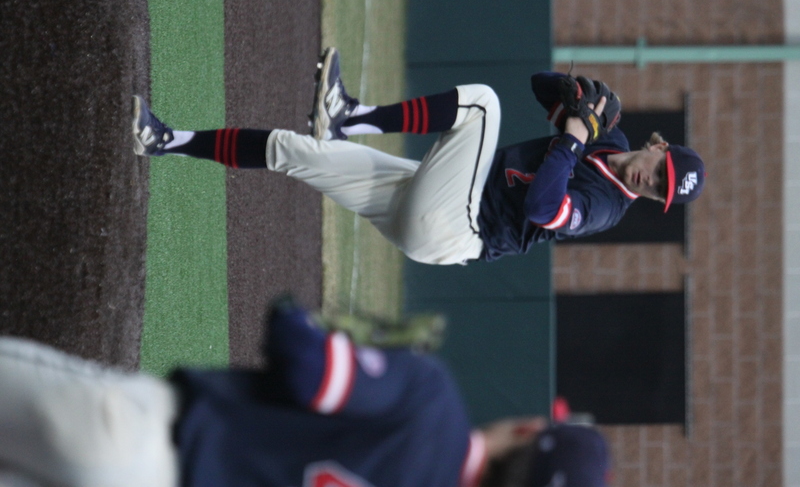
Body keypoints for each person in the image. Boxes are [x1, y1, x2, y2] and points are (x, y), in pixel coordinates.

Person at [132, 47, 706, 265]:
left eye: (659, 189)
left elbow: (541, 207)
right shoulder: (611, 140)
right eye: (661, 171)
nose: (651, 181)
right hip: (434, 198)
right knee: (293, 149)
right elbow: (538, 85)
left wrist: (575, 137)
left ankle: (349, 114)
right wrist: (575, 96)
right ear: (658, 147)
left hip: (460, 228)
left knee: (482, 104)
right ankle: (163, 140)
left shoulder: (605, 207)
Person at [0, 298, 612, 487]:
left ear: (529, 429)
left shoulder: (434, 402)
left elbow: (304, 364)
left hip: (136, 436)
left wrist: (305, 321)